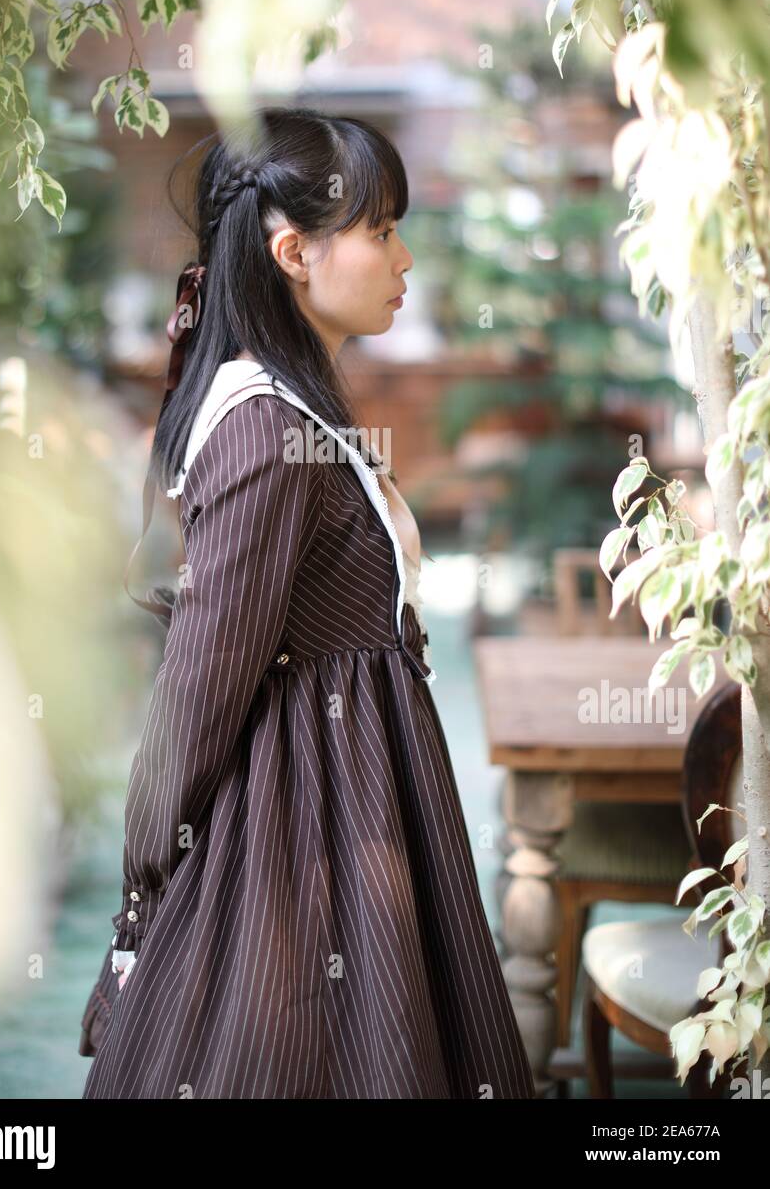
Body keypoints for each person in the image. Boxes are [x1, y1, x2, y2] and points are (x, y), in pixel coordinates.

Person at [80, 105, 534, 1099]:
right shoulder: (261, 433)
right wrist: (141, 901)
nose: (401, 258)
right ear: (291, 250)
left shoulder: (292, 409)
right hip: (303, 835)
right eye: (380, 230)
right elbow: (194, 698)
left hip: (346, 802)